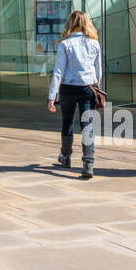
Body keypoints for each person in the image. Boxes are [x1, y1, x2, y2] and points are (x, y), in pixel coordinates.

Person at [45, 10, 102, 179]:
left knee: (67, 121)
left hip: (68, 88)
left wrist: (51, 97)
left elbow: (58, 71)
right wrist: (97, 86)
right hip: (87, 88)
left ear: (70, 24)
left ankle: (66, 156)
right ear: (86, 23)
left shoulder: (65, 44)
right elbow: (98, 70)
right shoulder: (94, 43)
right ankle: (88, 162)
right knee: (88, 124)